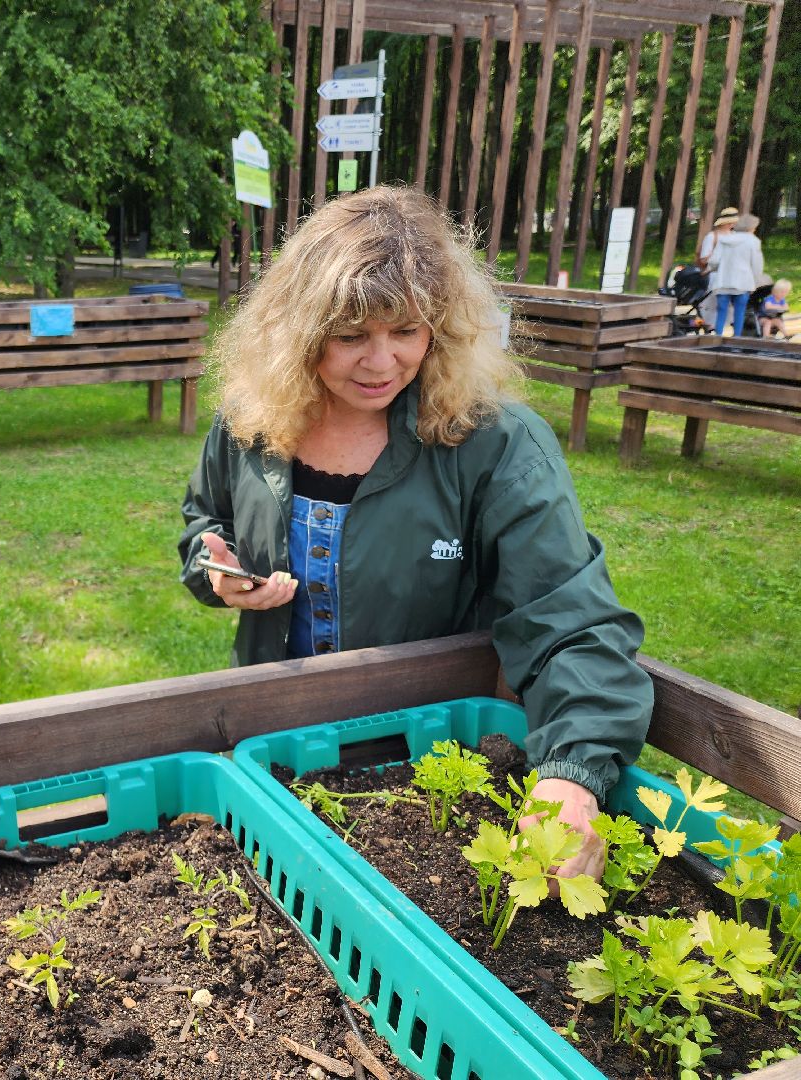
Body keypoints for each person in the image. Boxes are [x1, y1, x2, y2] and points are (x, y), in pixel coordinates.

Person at [178, 185, 653, 881]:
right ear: (297, 332)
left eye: (406, 331)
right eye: (350, 337)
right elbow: (205, 521)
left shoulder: (495, 445)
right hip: (267, 749)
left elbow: (571, 622)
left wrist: (571, 774)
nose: (382, 363)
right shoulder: (249, 423)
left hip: (428, 777)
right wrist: (213, 567)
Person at [709, 213, 764, 338]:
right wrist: (755, 282)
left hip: (723, 281)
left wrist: (719, 269)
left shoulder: (724, 240)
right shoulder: (753, 242)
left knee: (721, 310)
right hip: (743, 282)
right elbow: (756, 265)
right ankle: (737, 338)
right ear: (751, 228)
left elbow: (713, 261)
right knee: (739, 312)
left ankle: (718, 336)